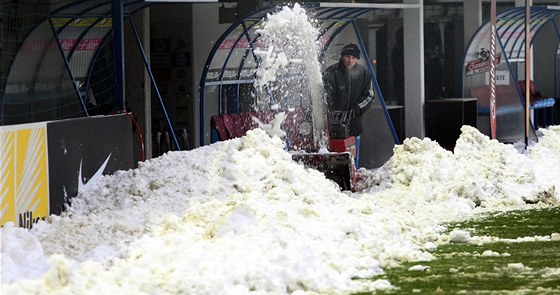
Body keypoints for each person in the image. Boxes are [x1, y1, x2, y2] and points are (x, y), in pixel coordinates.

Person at [323, 43, 375, 169]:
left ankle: (353, 176)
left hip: (354, 125)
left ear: (357, 59)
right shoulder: (331, 72)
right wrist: (332, 112)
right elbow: (324, 94)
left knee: (352, 158)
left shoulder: (364, 73)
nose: (350, 60)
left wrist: (355, 111)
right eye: (347, 56)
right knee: (333, 157)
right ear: (341, 57)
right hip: (332, 127)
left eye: (353, 57)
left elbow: (369, 96)